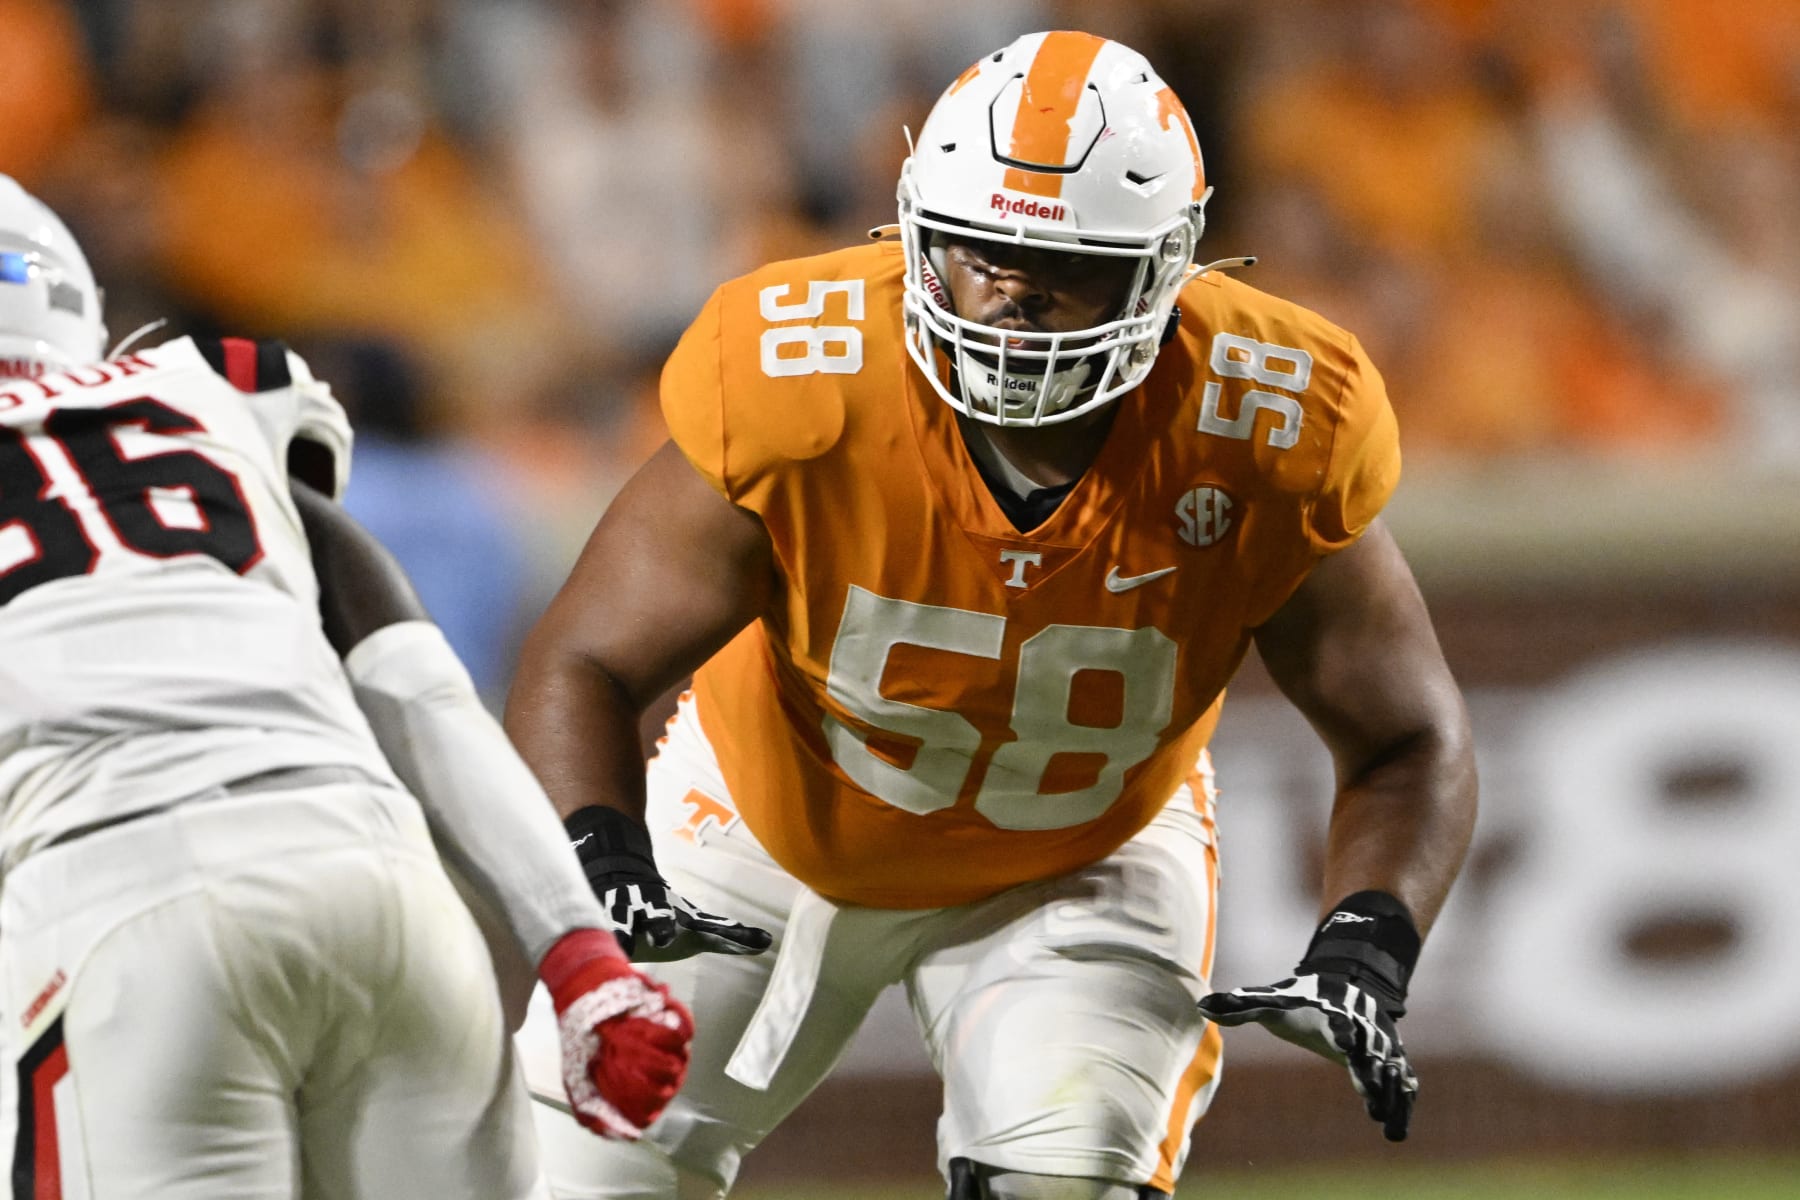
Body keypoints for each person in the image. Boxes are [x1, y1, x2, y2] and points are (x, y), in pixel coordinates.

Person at [506, 30, 1477, 1200]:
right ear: (917, 234)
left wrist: (1369, 939)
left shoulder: (1268, 423)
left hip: (1083, 853)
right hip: (765, 820)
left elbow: (1409, 734)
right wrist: (602, 856)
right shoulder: (804, 377)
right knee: (561, 1181)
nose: (1011, 287)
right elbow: (586, 657)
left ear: (1165, 270)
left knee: (1063, 1183)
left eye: (1065, 260)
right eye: (978, 248)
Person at [0, 173, 692, 1198]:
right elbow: (416, 688)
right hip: (381, 886)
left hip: (118, 910)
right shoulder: (208, 394)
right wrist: (579, 953)